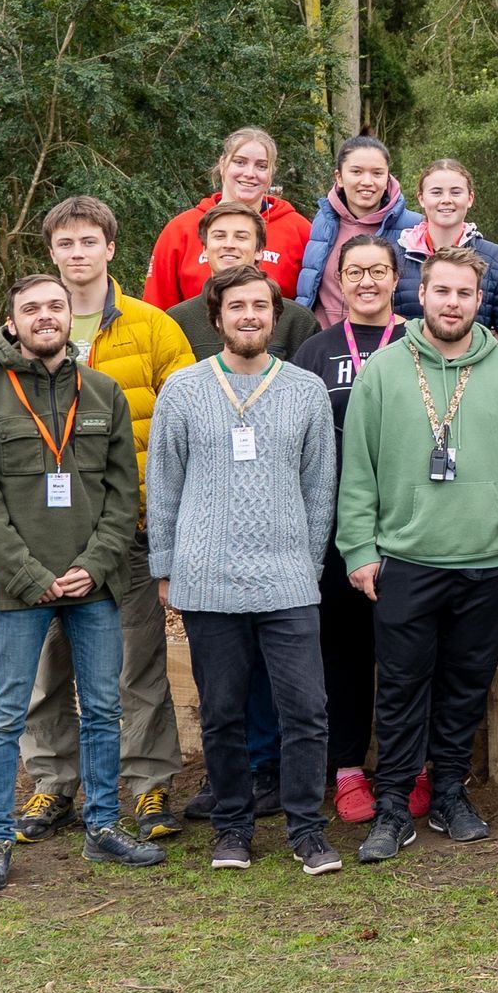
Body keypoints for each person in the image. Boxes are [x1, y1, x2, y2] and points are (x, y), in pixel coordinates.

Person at [338, 246, 498, 862]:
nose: (452, 303)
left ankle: (452, 789)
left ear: (479, 301)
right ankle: (396, 804)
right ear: (421, 294)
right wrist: (358, 548)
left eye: (464, 294)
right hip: (406, 557)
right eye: (441, 292)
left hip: (486, 558)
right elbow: (358, 472)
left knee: (465, 684)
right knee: (402, 686)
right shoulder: (383, 369)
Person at [0, 275, 166, 890]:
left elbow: (122, 493)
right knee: (4, 713)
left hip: (93, 586)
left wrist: (95, 565)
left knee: (103, 709)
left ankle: (103, 828)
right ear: (12, 321)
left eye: (54, 306)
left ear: (68, 318)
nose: (45, 316)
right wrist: (28, 575)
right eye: (31, 309)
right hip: (21, 591)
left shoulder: (102, 393)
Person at [147, 265, 342, 874]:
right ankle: (232, 826)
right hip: (207, 578)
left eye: (260, 305)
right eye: (237, 306)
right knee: (223, 711)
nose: (250, 315)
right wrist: (166, 565)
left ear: (276, 314)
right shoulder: (183, 390)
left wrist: (307, 566)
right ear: (217, 317)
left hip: (287, 579)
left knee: (306, 710)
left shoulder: (304, 391)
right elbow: (164, 484)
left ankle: (307, 829)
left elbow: (320, 489)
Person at [15, 197, 193, 845]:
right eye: (65, 244)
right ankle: (53, 783)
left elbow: (184, 429)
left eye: (90, 241)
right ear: (52, 253)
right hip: (47, 535)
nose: (78, 253)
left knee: (136, 663)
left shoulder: (153, 329)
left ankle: (148, 785)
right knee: (47, 665)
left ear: (111, 248)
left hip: (131, 527)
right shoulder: (22, 333)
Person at [291, 234, 408, 824]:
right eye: (355, 271)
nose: (367, 281)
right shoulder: (314, 352)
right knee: (343, 651)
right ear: (338, 279)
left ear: (396, 278)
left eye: (378, 271)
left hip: (411, 525)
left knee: (406, 651)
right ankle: (348, 769)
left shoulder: (416, 341)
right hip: (337, 529)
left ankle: (405, 766)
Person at [143, 127, 312, 308]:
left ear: (271, 173)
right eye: (240, 162)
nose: (249, 173)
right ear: (223, 164)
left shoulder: (299, 230)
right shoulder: (181, 229)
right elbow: (157, 309)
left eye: (261, 166)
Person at [295, 135, 423, 329]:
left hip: (387, 345)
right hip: (325, 343)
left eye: (377, 173)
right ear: (339, 177)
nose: (367, 181)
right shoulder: (324, 221)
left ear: (388, 177)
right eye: (356, 172)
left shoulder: (414, 227)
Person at [169, 201, 320, 360]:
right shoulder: (179, 320)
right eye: (219, 236)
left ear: (259, 251)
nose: (229, 244)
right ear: (205, 249)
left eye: (241, 237)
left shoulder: (297, 321)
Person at [396, 159, 498, 337]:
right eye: (436, 192)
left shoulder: (496, 259)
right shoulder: (396, 256)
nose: (446, 200)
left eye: (456, 192)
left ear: (470, 198)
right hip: (407, 362)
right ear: (421, 198)